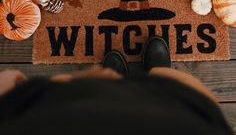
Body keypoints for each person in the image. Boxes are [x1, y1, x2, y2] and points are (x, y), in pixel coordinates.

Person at [0, 36, 233, 135]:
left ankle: (119, 79)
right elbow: (10, 78)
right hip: (177, 123)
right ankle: (160, 74)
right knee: (191, 95)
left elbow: (9, 80)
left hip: (59, 116)